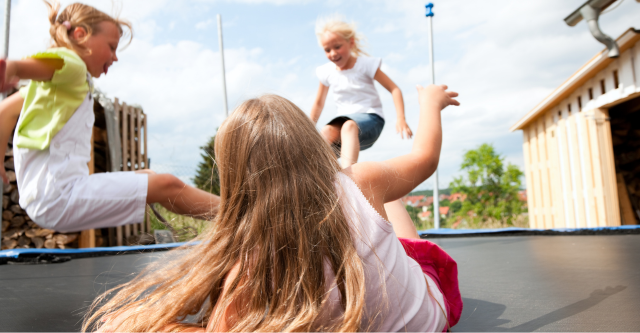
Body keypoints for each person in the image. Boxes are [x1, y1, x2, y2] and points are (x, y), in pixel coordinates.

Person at [86, 84, 461, 332]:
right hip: (429, 317)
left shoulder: (248, 265)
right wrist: (431, 102)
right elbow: (425, 157)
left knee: (386, 212)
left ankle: (349, 156)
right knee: (388, 206)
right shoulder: (362, 182)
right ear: (311, 147)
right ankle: (347, 156)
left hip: (395, 275)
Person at [0, 1, 220, 233]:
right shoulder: (73, 65)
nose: (115, 57)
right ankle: (245, 216)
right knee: (167, 185)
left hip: (51, 197)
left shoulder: (49, 90)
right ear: (81, 35)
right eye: (112, 47)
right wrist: (12, 67)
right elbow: (38, 66)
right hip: (60, 197)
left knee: (149, 176)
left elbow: (5, 110)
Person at [310, 17, 415, 233]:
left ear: (351, 43)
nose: (333, 54)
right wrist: (307, 127)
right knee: (325, 133)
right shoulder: (327, 72)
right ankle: (320, 180)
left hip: (370, 120)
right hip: (344, 122)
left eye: (337, 47)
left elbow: (394, 89)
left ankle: (349, 181)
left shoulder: (366, 65)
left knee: (349, 126)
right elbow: (319, 103)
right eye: (327, 50)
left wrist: (401, 117)